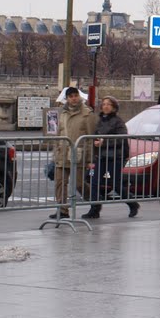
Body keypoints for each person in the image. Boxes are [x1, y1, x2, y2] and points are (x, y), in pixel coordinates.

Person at [83, 96, 140, 219]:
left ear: (114, 107)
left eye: (109, 104)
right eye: (104, 104)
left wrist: (104, 142)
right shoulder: (99, 120)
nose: (106, 106)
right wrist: (95, 144)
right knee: (94, 182)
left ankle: (132, 204)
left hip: (115, 157)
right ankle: (94, 209)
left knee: (116, 184)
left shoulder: (118, 122)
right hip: (101, 157)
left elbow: (121, 138)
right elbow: (95, 136)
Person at [49, 87, 97, 219]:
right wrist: (55, 153)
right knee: (60, 183)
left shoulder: (87, 114)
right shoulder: (63, 113)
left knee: (79, 184)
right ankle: (62, 210)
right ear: (67, 98)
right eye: (71, 96)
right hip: (63, 153)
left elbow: (90, 137)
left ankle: (95, 201)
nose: (74, 98)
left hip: (79, 155)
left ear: (79, 97)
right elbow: (59, 134)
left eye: (76, 95)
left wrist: (90, 159)